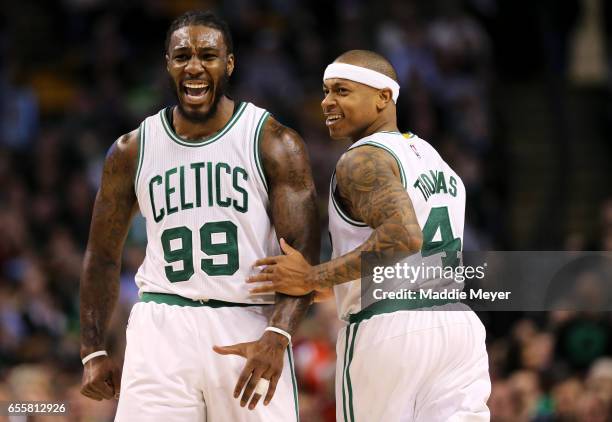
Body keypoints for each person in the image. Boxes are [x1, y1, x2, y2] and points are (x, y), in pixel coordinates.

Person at [79, 10, 319, 422]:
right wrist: (93, 348)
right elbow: (102, 254)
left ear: (229, 64)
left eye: (208, 55)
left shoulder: (272, 141)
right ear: (167, 63)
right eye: (182, 56)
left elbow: (302, 255)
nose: (194, 66)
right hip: (162, 323)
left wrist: (279, 334)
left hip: (247, 321)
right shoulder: (131, 150)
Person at [248, 50, 491, 421]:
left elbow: (404, 236)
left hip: (390, 329)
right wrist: (337, 285)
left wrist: (312, 276)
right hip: (456, 327)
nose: (327, 101)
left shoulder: (361, 159)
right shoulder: (429, 154)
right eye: (326, 91)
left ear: (383, 97)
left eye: (342, 91)